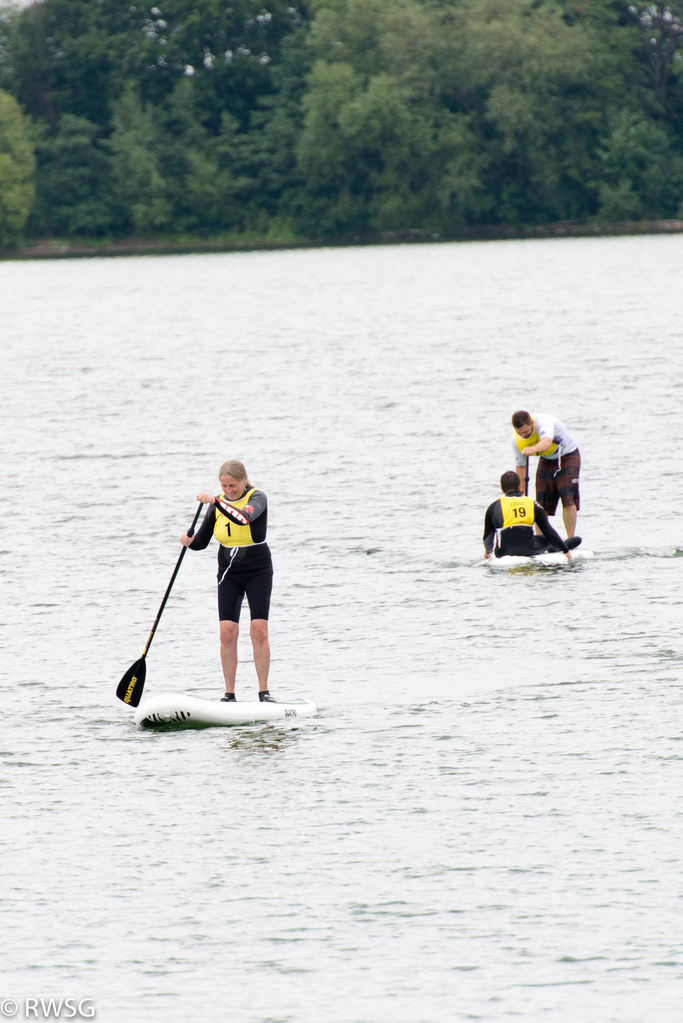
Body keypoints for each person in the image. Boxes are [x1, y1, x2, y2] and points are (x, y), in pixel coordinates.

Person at [180, 460, 276, 702]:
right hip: (228, 572)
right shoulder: (218, 504)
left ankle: (264, 693)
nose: (229, 490)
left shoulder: (258, 498)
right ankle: (229, 694)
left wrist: (217, 501)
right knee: (227, 632)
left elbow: (243, 519)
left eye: (233, 485)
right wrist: (189, 542)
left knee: (259, 630)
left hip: (258, 570)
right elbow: (201, 542)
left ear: (244, 481)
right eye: (224, 486)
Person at [511, 410, 581, 538]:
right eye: (520, 433)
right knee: (541, 502)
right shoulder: (516, 440)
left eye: (526, 432)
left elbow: (547, 442)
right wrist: (521, 494)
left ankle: (570, 539)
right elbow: (521, 467)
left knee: (566, 495)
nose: (523, 436)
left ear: (531, 423)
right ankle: (540, 540)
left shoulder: (544, 422)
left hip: (567, 454)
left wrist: (532, 449)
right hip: (547, 457)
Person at [483, 471, 583, 560]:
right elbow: (548, 531)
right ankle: (559, 547)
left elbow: (488, 537)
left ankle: (557, 547)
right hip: (529, 550)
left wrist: (488, 551)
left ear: (502, 489)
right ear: (519, 486)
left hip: (502, 552)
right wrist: (566, 551)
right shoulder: (532, 503)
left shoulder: (494, 507)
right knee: (545, 538)